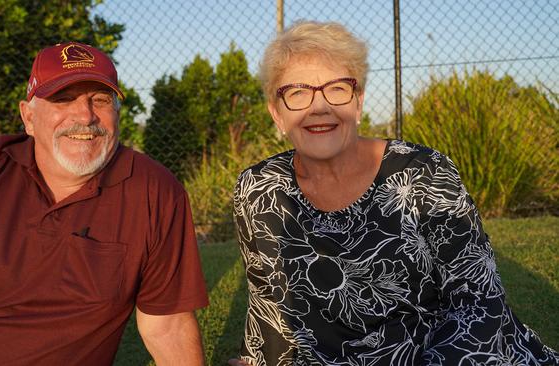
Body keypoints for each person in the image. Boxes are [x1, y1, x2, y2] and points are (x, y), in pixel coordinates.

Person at [229, 21, 559, 365]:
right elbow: (270, 304)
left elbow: (478, 303)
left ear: (358, 102)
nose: (319, 107)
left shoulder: (424, 173)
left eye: (337, 88)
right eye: (297, 92)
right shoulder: (260, 189)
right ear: (276, 114)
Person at [0, 41, 208, 365]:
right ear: (29, 117)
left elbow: (167, 325)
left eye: (100, 100)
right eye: (63, 99)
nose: (85, 115)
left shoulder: (154, 191)